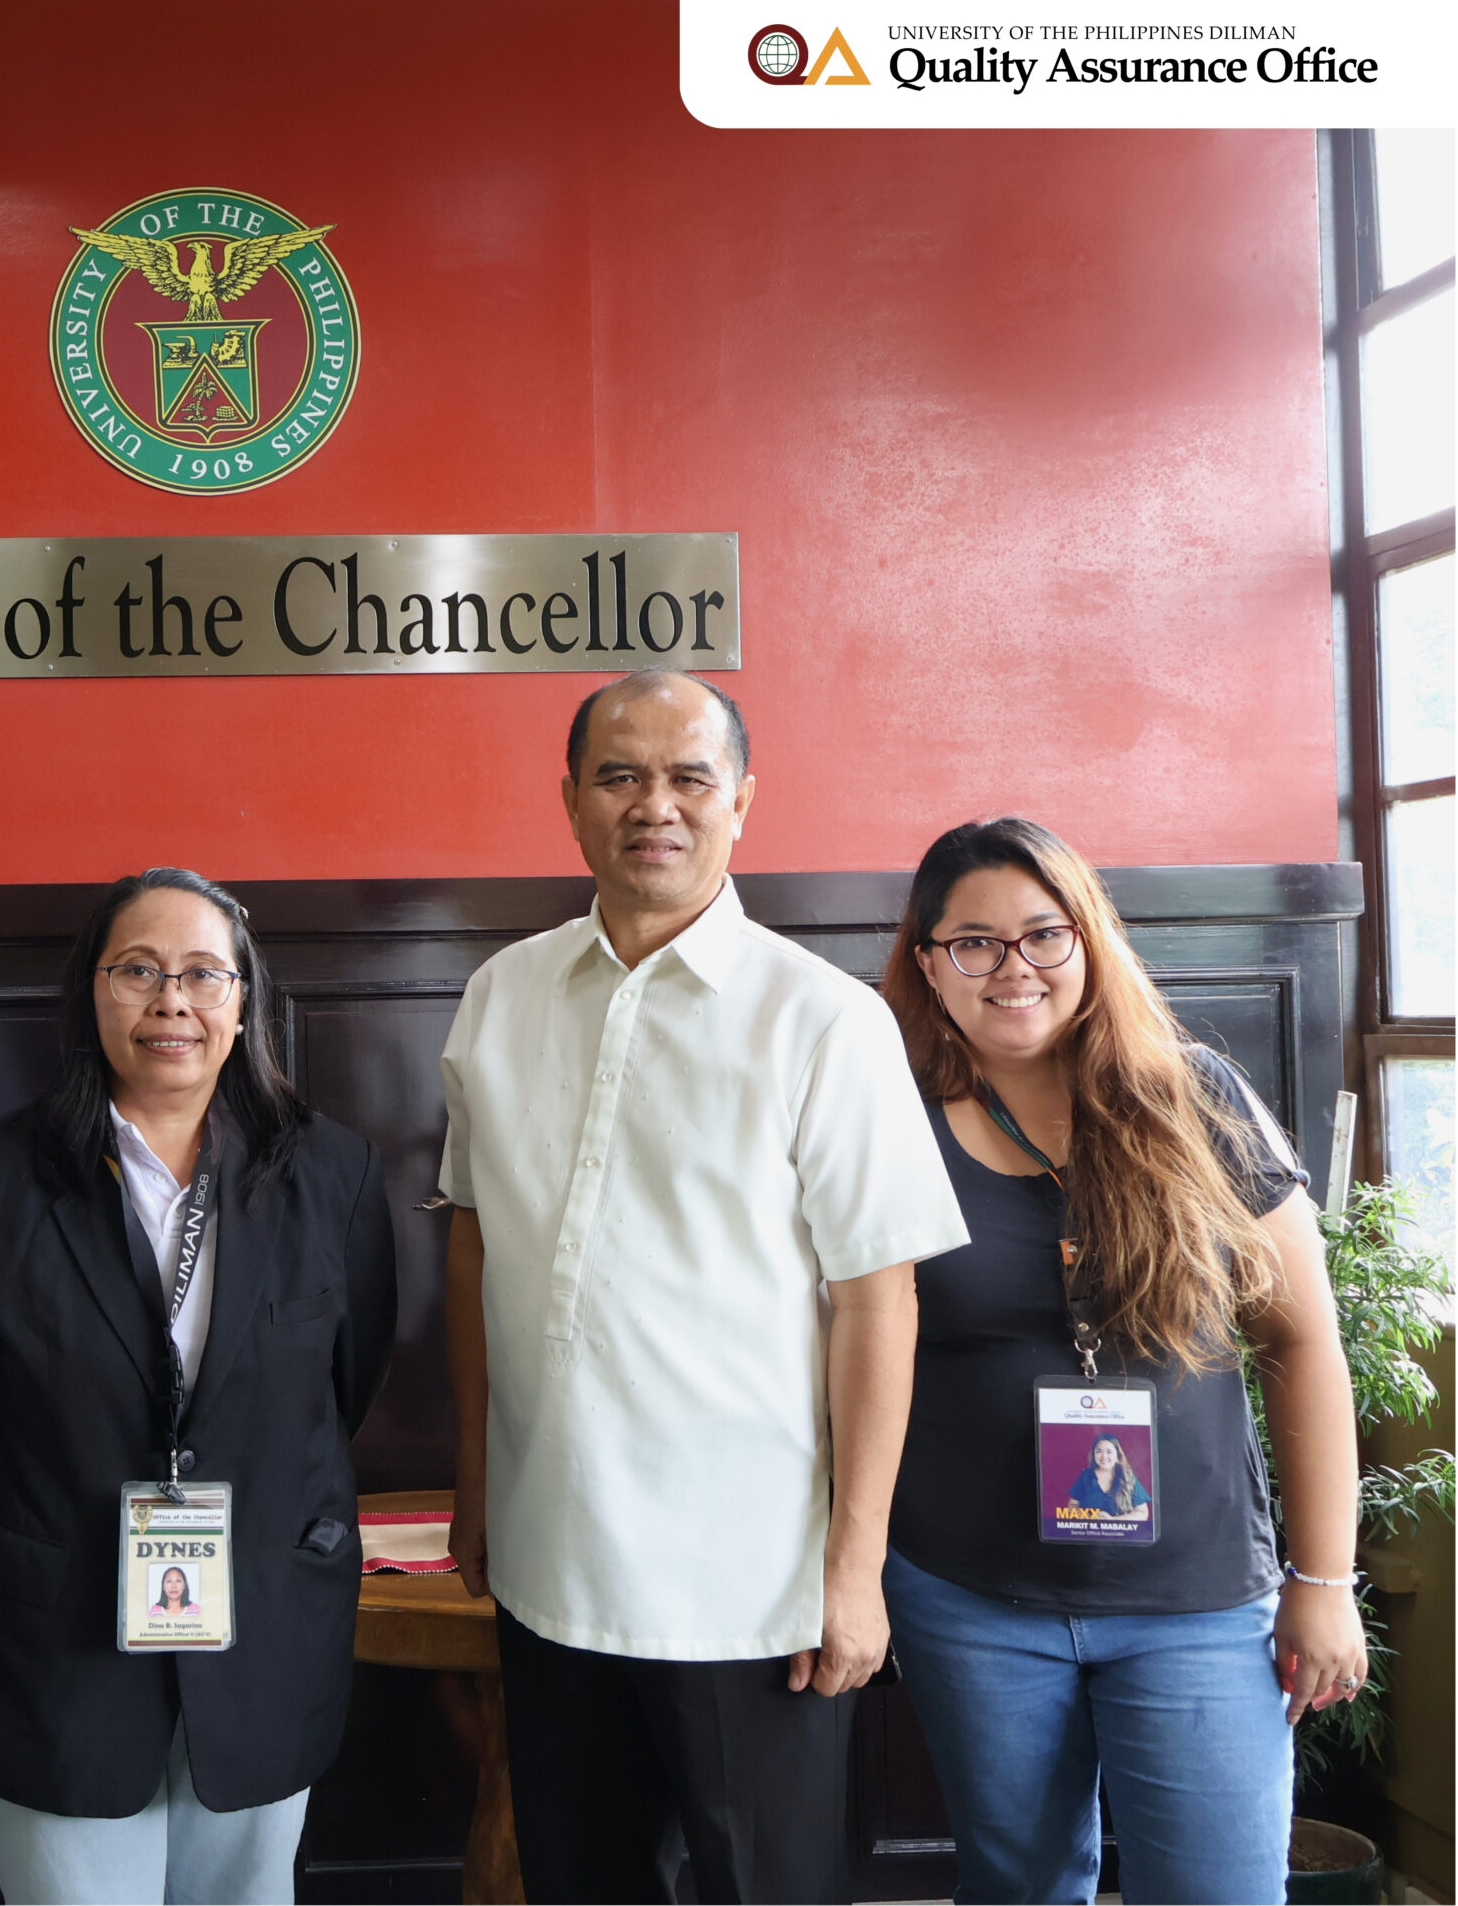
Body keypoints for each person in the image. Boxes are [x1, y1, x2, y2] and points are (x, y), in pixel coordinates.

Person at [440, 673, 972, 1905]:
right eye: (619, 776)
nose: (653, 807)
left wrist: (854, 1570)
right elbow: (475, 1245)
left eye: (688, 779)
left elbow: (877, 1303)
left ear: (740, 802)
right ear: (569, 800)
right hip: (544, 1559)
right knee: (580, 1881)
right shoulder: (498, 995)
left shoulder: (823, 1021)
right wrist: (473, 1476)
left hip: (751, 1589)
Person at [0, 867, 397, 1906]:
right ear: (90, 993)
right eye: (138, 971)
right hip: (44, 1654)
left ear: (243, 1001)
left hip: (262, 1638)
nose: (172, 1000)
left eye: (205, 974)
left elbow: (346, 1383)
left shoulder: (331, 1175)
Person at [877, 816, 1364, 1905]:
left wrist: (1322, 1581)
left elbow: (1299, 1340)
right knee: (1020, 1886)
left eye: (1042, 934)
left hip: (1195, 1601)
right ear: (927, 964)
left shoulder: (1197, 1099)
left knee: (1219, 1890)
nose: (1013, 969)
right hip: (968, 1595)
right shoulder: (887, 1120)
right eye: (973, 943)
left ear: (1090, 940)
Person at [1068, 1435, 1151, 1521]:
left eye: (1109, 1452)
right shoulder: (1085, 1476)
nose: (1104, 1456)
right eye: (1099, 1451)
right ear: (1093, 1454)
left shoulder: (1128, 1477)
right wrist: (1091, 1517)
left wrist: (1113, 1520)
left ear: (1117, 1456)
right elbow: (1072, 1506)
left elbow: (1142, 1512)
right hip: (1090, 1532)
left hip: (1122, 1533)